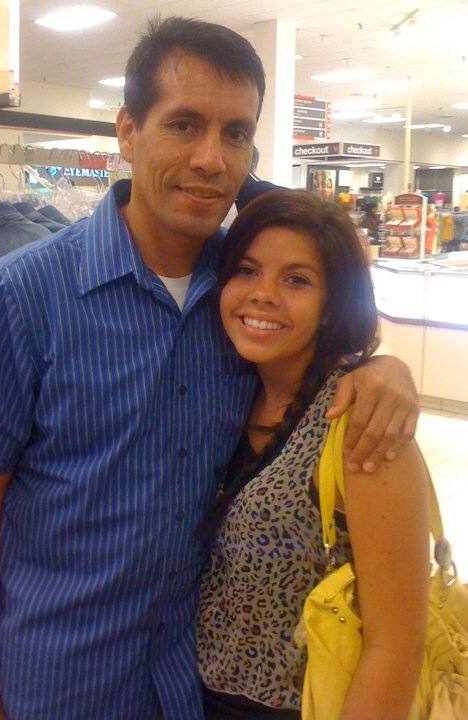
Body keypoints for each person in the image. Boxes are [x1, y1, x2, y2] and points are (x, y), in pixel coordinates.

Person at [0, 16, 418, 720]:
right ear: (128, 132)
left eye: (235, 133)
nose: (211, 159)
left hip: (191, 682)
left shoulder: (242, 290)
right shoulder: (24, 293)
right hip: (61, 680)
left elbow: (328, 333)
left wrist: (384, 368)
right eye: (184, 125)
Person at [196, 189, 429, 720]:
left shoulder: (362, 422)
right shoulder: (223, 392)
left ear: (332, 307)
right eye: (247, 271)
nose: (263, 294)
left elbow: (395, 648)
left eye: (297, 280)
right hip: (192, 695)